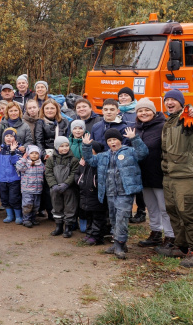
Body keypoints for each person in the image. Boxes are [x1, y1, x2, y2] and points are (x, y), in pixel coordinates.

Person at [157, 90, 193, 267]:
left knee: (189, 213)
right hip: (169, 174)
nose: (169, 103)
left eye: (173, 100)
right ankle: (182, 247)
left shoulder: (185, 116)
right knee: (174, 211)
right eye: (167, 100)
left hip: (186, 174)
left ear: (181, 103)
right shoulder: (168, 121)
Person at [83, 128, 148, 259]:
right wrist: (86, 146)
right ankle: (118, 242)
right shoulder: (103, 156)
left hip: (125, 192)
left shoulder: (130, 152)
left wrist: (134, 139)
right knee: (113, 218)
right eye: (109, 140)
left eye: (115, 139)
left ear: (120, 140)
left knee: (122, 218)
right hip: (110, 193)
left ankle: (119, 244)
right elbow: (90, 159)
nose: (113, 142)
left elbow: (143, 153)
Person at [132, 98, 172, 249]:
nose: (144, 113)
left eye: (147, 110)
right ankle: (155, 233)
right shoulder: (136, 129)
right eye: (140, 111)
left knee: (164, 207)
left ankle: (170, 236)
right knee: (151, 206)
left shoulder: (163, 126)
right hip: (143, 175)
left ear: (154, 112)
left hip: (160, 173)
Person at [45, 136, 81, 237]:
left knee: (70, 208)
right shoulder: (51, 160)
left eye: (66, 146)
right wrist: (53, 185)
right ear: (56, 147)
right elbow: (48, 173)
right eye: (61, 146)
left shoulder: (73, 160)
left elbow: (74, 173)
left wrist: (66, 184)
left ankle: (68, 228)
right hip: (55, 189)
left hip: (69, 189)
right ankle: (58, 226)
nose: (64, 148)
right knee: (57, 207)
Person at [0, 129, 23, 224]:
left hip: (14, 178)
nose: (9, 138)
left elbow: (16, 162)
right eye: (7, 136)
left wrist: (12, 152)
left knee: (14, 198)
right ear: (4, 138)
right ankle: (9, 215)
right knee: (4, 198)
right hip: (2, 178)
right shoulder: (0, 148)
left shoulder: (18, 148)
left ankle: (18, 216)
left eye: (11, 136)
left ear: (15, 138)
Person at [15, 146, 45, 228]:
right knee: (27, 205)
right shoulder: (26, 163)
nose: (34, 155)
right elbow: (19, 167)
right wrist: (24, 159)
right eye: (32, 153)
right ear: (28, 154)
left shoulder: (41, 164)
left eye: (36, 153)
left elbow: (45, 171)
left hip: (38, 189)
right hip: (27, 189)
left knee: (36, 205)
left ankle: (33, 218)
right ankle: (26, 219)